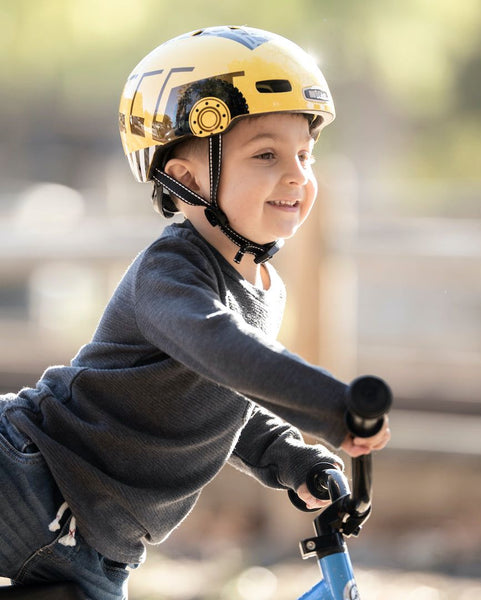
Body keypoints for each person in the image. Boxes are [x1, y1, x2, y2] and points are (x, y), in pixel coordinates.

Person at [0, 26, 391, 600]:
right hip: (26, 479)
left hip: (98, 549)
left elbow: (218, 405)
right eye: (266, 154)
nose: (297, 175)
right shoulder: (171, 275)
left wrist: (291, 458)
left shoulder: (262, 287)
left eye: (304, 154)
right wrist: (330, 404)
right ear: (184, 180)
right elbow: (220, 350)